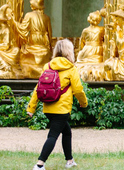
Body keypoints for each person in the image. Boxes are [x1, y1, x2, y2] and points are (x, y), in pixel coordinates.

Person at [27, 39, 87, 170]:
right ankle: (39, 164)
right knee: (53, 135)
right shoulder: (71, 68)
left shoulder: (47, 66)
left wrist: (31, 107)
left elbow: (39, 88)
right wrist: (83, 102)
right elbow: (78, 90)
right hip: (62, 109)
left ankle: (69, 160)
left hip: (48, 107)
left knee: (67, 132)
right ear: (69, 52)